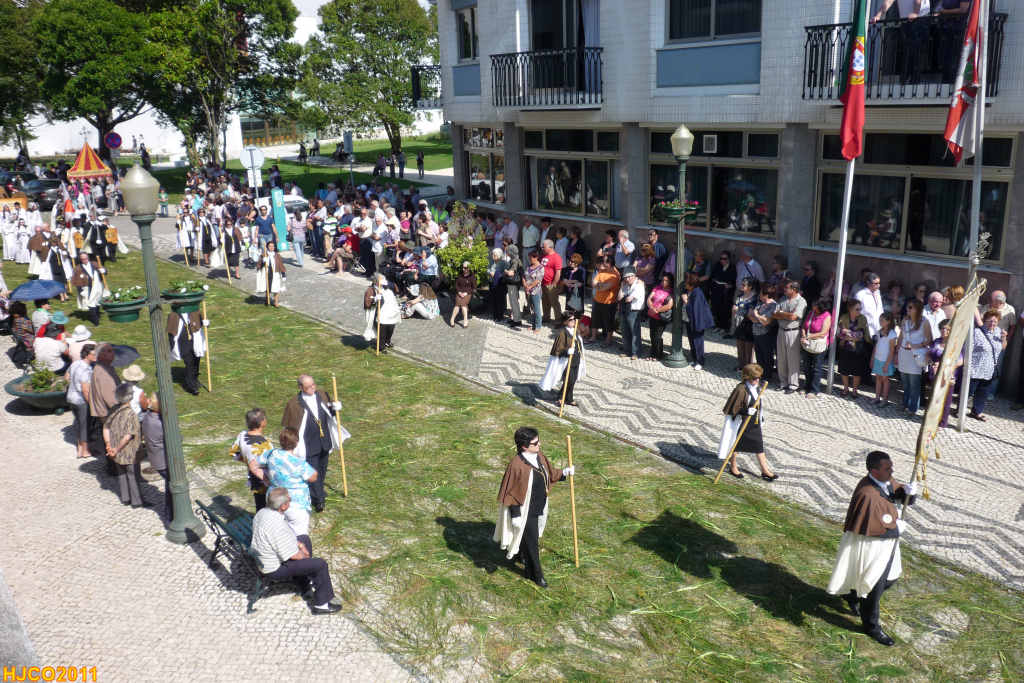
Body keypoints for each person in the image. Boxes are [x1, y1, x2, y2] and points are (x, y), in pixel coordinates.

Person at [827, 451, 919, 647]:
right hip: (872, 548)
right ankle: (871, 626)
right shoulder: (867, 493)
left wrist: (909, 494)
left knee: (890, 579)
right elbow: (870, 526)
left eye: (891, 467)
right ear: (874, 471)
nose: (892, 471)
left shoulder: (885, 480)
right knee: (874, 588)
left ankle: (852, 595)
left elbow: (898, 496)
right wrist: (896, 529)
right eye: (887, 468)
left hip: (887, 545)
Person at [493, 427, 575, 588]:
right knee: (532, 542)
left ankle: (520, 555)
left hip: (539, 505)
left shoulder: (539, 456)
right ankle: (535, 575)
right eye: (535, 443)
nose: (539, 444)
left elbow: (550, 474)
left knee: (530, 537)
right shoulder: (517, 465)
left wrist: (564, 473)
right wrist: (515, 515)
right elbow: (511, 492)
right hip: (525, 511)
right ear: (524, 446)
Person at [250, 487, 341, 615]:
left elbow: (284, 539)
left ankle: (303, 582)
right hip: (273, 569)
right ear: (283, 506)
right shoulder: (277, 525)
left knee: (304, 538)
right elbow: (294, 555)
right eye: (289, 499)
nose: (291, 500)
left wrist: (300, 544)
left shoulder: (263, 512)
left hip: (265, 557)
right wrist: (306, 557)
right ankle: (322, 605)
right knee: (320, 565)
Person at [281, 376, 346, 513]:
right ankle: (319, 500)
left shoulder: (322, 395)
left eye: (313, 385)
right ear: (300, 387)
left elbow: (330, 413)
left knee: (322, 468)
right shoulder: (294, 404)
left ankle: (318, 490)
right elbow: (289, 427)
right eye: (308, 386)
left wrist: (335, 408)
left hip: (324, 440)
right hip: (308, 443)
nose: (312, 388)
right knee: (313, 471)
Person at [717, 363, 778, 481]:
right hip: (741, 423)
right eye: (754, 378)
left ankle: (765, 470)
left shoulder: (757, 387)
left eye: (758, 377)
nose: (757, 380)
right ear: (747, 377)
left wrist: (761, 417)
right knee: (735, 446)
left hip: (754, 422)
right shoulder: (740, 389)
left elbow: (759, 405)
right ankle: (733, 467)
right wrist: (745, 411)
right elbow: (732, 408)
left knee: (759, 445)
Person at [103, 383, 144, 507]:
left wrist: (108, 445)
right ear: (130, 397)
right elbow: (128, 436)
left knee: (121, 473)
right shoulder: (131, 414)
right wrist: (116, 449)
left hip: (114, 449)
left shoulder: (113, 410)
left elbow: (105, 427)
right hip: (129, 451)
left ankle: (125, 498)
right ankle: (137, 501)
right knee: (132, 475)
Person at [229, 407, 274, 511]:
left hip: (253, 479)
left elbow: (233, 452)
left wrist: (246, 460)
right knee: (268, 509)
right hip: (265, 481)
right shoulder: (266, 445)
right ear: (262, 423)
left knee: (259, 505)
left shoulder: (242, 435)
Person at [539, 312, 585, 406]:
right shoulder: (562, 333)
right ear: (565, 322)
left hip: (576, 359)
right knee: (569, 380)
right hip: (567, 361)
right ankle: (560, 398)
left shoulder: (575, 330)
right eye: (571, 320)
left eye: (574, 319)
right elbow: (557, 350)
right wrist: (567, 351)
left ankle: (569, 398)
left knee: (573, 380)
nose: (573, 321)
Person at [88, 344, 120, 474]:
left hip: (106, 411)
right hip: (109, 412)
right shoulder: (103, 373)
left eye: (112, 350)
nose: (113, 353)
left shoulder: (105, 368)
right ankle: (115, 467)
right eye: (109, 351)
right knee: (114, 438)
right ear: (100, 355)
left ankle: (114, 466)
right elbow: (111, 399)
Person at [967, 310, 1005, 422]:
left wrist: (1004, 338)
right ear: (985, 320)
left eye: (995, 321)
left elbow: (1003, 347)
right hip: (976, 367)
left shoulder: (998, 332)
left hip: (989, 369)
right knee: (969, 391)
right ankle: (959, 409)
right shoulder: (977, 332)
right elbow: (969, 348)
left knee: (983, 393)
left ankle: (976, 411)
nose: (993, 323)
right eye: (990, 321)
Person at [896, 300, 933, 414]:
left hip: (916, 355)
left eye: (910, 307)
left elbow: (929, 340)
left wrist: (915, 345)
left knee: (914, 384)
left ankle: (912, 408)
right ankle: (905, 404)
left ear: (917, 309)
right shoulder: (905, 320)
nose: (908, 309)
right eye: (908, 307)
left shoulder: (924, 322)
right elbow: (901, 336)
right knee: (905, 382)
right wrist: (897, 351)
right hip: (904, 354)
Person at [140, 394, 172, 518]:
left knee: (170, 485)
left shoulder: (147, 416)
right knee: (172, 486)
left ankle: (170, 511)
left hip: (155, 458)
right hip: (163, 461)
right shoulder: (159, 423)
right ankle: (170, 513)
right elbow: (175, 439)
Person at [772, 281, 807, 393]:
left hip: (793, 332)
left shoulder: (801, 301)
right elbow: (774, 314)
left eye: (787, 288)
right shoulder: (782, 299)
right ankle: (783, 382)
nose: (784, 289)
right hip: (781, 331)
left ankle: (793, 384)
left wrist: (782, 313)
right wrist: (786, 314)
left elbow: (793, 317)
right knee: (781, 358)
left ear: (794, 289)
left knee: (793, 359)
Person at [167, 309, 208, 395]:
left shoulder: (194, 311)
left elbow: (200, 323)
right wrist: (172, 346)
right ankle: (191, 386)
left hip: (196, 342)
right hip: (183, 343)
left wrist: (205, 323)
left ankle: (195, 379)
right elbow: (171, 332)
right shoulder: (174, 315)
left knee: (196, 361)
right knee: (189, 363)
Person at [836, 299, 872, 399]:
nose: (859, 311)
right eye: (857, 309)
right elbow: (839, 333)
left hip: (858, 349)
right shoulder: (843, 317)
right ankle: (846, 388)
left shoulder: (863, 318)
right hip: (845, 348)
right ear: (850, 309)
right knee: (844, 370)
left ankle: (855, 390)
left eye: (860, 309)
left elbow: (861, 335)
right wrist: (848, 335)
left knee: (857, 371)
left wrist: (847, 334)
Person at [66, 343, 96, 459]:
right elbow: (85, 390)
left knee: (78, 423)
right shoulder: (86, 370)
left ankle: (79, 448)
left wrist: (73, 385)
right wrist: (91, 404)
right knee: (85, 425)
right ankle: (85, 451)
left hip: (70, 397)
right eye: (93, 354)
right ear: (87, 355)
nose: (96, 356)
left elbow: (67, 376)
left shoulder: (75, 363)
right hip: (80, 400)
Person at [800, 297, 832, 396]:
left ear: (820, 306)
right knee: (806, 366)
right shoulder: (811, 313)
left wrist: (809, 336)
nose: (812, 306)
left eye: (815, 305)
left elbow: (823, 333)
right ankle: (807, 386)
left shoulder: (827, 316)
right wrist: (804, 335)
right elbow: (804, 326)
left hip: (819, 345)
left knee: (816, 368)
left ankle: (814, 389)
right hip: (807, 343)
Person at [683, 273, 714, 369]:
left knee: (698, 342)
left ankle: (700, 361)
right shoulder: (690, 291)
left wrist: (686, 301)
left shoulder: (697, 293)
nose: (685, 285)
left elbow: (695, 310)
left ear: (691, 284)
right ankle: (694, 359)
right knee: (692, 340)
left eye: (686, 283)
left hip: (697, 322)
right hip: (690, 320)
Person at [588, 255, 619, 345]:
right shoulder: (601, 271)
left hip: (609, 302)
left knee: (608, 322)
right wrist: (601, 285)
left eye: (604, 261)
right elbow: (593, 283)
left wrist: (599, 285)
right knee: (594, 319)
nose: (602, 263)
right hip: (597, 300)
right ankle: (593, 337)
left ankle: (608, 340)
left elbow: (604, 288)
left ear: (609, 263)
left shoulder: (615, 275)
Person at [749, 284, 778, 379]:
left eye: (761, 293)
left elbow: (766, 321)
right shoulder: (760, 303)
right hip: (756, 332)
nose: (759, 295)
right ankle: (760, 373)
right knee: (759, 354)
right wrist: (759, 319)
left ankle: (767, 375)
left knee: (767, 355)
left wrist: (757, 315)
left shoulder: (773, 305)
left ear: (766, 294)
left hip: (766, 334)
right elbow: (751, 317)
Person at [70, 252, 105, 325]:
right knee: (90, 303)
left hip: (97, 286)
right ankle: (95, 321)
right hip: (86, 288)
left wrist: (103, 270)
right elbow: (75, 281)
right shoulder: (78, 268)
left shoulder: (94, 264)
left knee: (96, 301)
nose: (85, 260)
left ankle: (97, 315)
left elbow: (102, 270)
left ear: (88, 258)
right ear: (80, 259)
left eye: (86, 258)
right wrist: (80, 291)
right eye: (83, 259)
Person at [872, 313, 900, 407]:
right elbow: (876, 345)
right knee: (878, 378)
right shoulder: (879, 331)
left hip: (886, 361)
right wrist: (872, 358)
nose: (880, 322)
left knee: (885, 380)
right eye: (880, 320)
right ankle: (877, 397)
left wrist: (887, 364)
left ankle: (885, 400)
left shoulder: (892, 334)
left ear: (888, 322)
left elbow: (892, 350)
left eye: (882, 320)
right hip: (878, 359)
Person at [617, 267, 645, 360]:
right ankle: (627, 351)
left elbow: (629, 299)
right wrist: (622, 287)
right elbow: (619, 297)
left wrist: (625, 295)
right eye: (626, 277)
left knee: (634, 332)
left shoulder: (639, 285)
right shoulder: (625, 285)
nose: (628, 279)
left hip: (634, 311)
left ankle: (636, 352)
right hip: (624, 310)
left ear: (634, 276)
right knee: (625, 331)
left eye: (630, 276)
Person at [368, 273, 401, 350]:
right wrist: (375, 299)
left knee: (388, 329)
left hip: (391, 311)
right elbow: (369, 301)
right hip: (384, 312)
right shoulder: (372, 289)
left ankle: (385, 343)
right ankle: (382, 345)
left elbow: (395, 290)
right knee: (383, 330)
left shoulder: (388, 286)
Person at [731, 277, 759, 368]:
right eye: (741, 284)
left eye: (744, 285)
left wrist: (738, 309)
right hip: (739, 323)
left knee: (748, 347)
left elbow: (750, 313)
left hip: (748, 324)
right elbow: (734, 308)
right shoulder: (740, 296)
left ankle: (748, 367)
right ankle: (741, 365)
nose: (741, 286)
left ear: (750, 287)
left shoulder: (754, 298)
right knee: (739, 345)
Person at [646, 274, 674, 361]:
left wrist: (657, 310)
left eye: (666, 280)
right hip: (652, 315)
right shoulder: (657, 288)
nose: (663, 282)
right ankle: (653, 353)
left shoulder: (671, 291)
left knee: (657, 336)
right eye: (662, 280)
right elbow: (649, 298)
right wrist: (652, 308)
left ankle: (658, 354)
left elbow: (669, 305)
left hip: (661, 317)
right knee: (652, 335)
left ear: (670, 282)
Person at [708, 251, 736, 332]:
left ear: (728, 259)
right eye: (721, 258)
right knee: (716, 308)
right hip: (716, 290)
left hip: (726, 292)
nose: (722, 260)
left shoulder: (732, 267)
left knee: (725, 310)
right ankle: (717, 326)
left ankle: (724, 327)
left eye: (724, 259)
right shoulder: (718, 265)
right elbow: (712, 276)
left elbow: (733, 280)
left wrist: (730, 285)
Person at [854, 272, 884, 340]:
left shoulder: (878, 293)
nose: (878, 286)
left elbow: (880, 310)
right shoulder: (860, 295)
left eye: (879, 283)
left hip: (878, 330)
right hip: (865, 331)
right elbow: (855, 313)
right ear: (868, 283)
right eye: (876, 283)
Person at [256, 242, 286, 307]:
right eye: (270, 246)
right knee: (268, 287)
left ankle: (276, 302)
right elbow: (259, 265)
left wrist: (283, 274)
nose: (272, 247)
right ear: (267, 247)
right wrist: (263, 261)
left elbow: (281, 265)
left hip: (275, 273)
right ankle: (267, 299)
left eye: (273, 246)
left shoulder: (277, 255)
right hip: (267, 273)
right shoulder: (264, 255)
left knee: (276, 288)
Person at [539, 239, 563, 323]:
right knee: (545, 302)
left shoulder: (556, 257)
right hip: (543, 283)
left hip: (551, 284)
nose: (542, 248)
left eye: (544, 247)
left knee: (554, 303)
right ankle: (546, 317)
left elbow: (558, 273)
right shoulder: (544, 256)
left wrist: (553, 284)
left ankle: (558, 320)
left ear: (550, 247)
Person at [502, 245, 524, 329]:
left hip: (513, 284)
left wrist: (505, 270)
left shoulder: (515, 260)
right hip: (514, 283)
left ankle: (517, 320)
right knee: (513, 301)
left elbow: (511, 273)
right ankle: (515, 318)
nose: (507, 253)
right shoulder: (515, 259)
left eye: (507, 251)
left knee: (514, 301)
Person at [450, 261, 476, 328]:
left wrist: (466, 293)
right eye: (463, 267)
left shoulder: (472, 276)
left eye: (465, 268)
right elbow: (456, 285)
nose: (463, 269)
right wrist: (459, 292)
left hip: (467, 293)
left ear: (469, 268)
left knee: (463, 305)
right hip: (459, 292)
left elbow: (474, 287)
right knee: (457, 305)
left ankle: (465, 320)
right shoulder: (460, 274)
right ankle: (452, 319)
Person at [523, 252, 544, 334]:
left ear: (536, 257)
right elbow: (524, 276)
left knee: (537, 309)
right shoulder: (529, 266)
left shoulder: (541, 268)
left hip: (535, 291)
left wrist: (530, 287)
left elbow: (538, 280)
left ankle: (538, 326)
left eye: (531, 258)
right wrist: (525, 285)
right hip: (527, 290)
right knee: (532, 308)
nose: (530, 259)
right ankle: (533, 324)